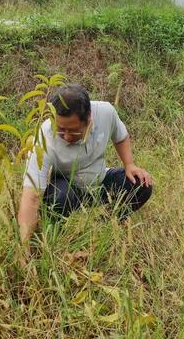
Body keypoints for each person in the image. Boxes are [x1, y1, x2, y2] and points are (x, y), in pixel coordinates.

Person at [18, 83, 153, 249]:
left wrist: (129, 164)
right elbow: (31, 195)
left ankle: (105, 225)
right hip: (66, 189)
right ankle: (58, 240)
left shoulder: (105, 112)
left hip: (99, 181)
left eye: (73, 131)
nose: (66, 136)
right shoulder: (44, 138)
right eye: (61, 130)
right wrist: (24, 247)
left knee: (141, 184)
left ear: (89, 119)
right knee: (58, 198)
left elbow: (121, 137)